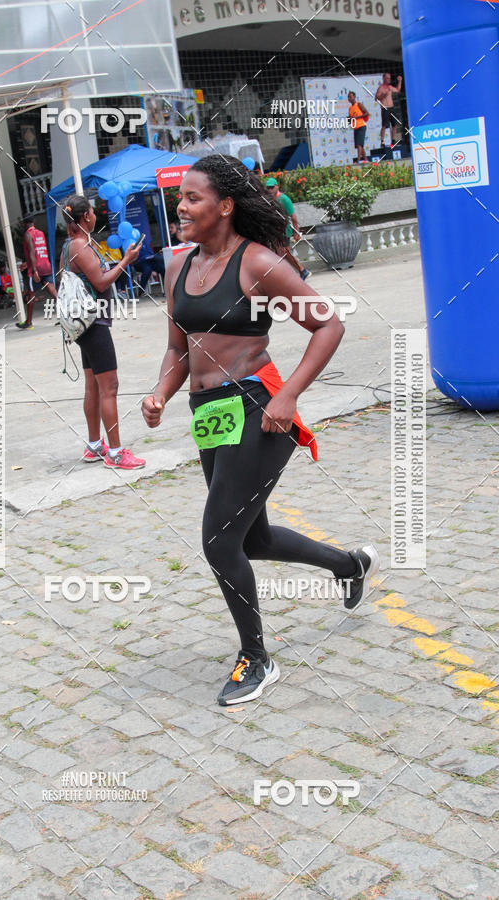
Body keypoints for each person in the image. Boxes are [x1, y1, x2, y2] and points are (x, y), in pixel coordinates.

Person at [142, 155, 379, 706]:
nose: (181, 206)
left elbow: (328, 322)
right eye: (180, 196)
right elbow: (181, 349)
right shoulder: (178, 267)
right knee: (255, 538)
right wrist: (160, 393)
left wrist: (289, 393)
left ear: (224, 206)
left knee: (219, 540)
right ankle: (350, 565)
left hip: (257, 406)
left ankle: (257, 658)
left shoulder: (257, 264)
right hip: (209, 413)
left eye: (192, 198)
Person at [59, 194, 146, 470]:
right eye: (93, 211)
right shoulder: (80, 246)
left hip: (86, 325)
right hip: (93, 324)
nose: (96, 215)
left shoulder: (72, 245)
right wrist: (126, 261)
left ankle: (95, 445)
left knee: (93, 385)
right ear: (86, 217)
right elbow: (100, 282)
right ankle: (117, 453)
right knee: (110, 387)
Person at [265, 177, 310, 280]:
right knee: (281, 254)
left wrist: (296, 232)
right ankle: (299, 272)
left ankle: (302, 271)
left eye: (272, 187)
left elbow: (293, 217)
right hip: (275, 231)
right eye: (268, 188)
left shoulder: (284, 199)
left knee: (283, 252)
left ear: (277, 187)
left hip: (284, 230)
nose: (270, 190)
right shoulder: (270, 200)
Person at [18, 214, 58, 329]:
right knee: (54, 292)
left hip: (36, 269)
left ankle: (28, 322)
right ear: (34, 221)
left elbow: (32, 251)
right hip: (46, 265)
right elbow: (40, 250)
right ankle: (66, 316)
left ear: (25, 224)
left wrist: (34, 269)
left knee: (31, 295)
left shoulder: (27, 234)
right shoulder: (40, 233)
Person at [375, 73, 403, 147]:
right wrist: (384, 95)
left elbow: (397, 90)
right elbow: (376, 98)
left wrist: (400, 81)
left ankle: (393, 141)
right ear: (383, 78)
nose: (389, 80)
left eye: (389, 78)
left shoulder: (390, 87)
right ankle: (382, 141)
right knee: (384, 125)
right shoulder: (380, 88)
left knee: (394, 125)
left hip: (391, 107)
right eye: (387, 78)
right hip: (385, 108)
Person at [348, 91, 369, 163]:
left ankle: (359, 160)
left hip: (361, 125)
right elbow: (351, 118)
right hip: (355, 127)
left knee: (359, 144)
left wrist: (356, 117)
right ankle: (365, 159)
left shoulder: (359, 104)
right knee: (358, 145)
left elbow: (366, 113)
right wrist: (349, 120)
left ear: (354, 97)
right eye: (348, 97)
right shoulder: (350, 108)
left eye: (351, 96)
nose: (349, 98)